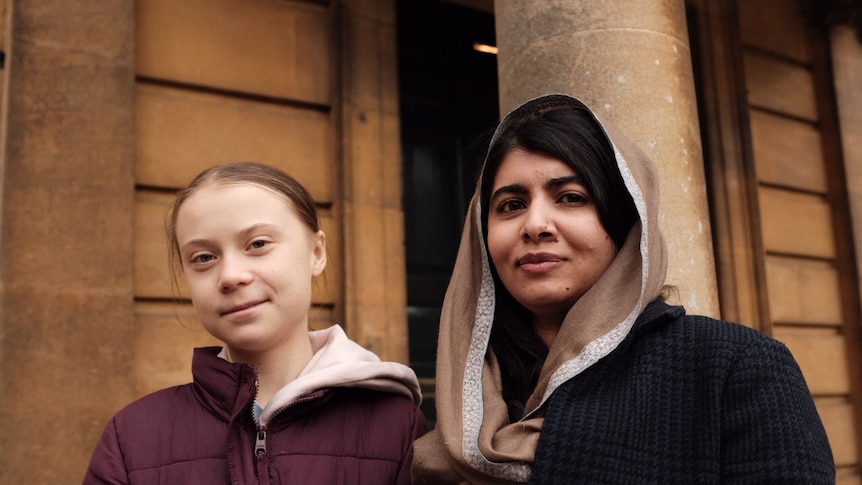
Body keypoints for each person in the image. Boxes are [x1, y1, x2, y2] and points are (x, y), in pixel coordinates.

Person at [412, 94, 834, 484]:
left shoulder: (733, 370)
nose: (536, 224)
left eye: (571, 197)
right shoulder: (457, 407)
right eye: (511, 205)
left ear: (624, 222)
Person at [84, 162, 426, 484]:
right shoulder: (131, 437)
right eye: (204, 258)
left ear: (316, 253)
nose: (231, 275)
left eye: (258, 244)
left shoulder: (397, 424)